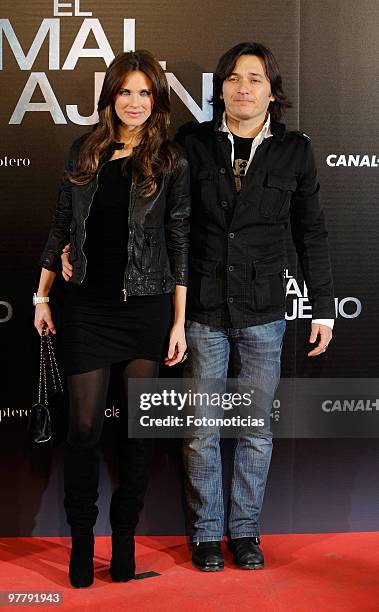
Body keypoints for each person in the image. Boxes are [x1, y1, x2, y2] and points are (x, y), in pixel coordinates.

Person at [175, 42, 335, 571]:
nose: (244, 87)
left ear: (272, 90)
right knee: (201, 428)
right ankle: (204, 536)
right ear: (220, 87)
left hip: (265, 311)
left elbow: (311, 234)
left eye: (256, 78)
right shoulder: (191, 143)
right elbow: (165, 225)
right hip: (202, 307)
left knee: (255, 429)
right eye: (234, 78)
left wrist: (324, 308)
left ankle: (244, 533)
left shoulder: (295, 150)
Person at [34, 49, 190, 588]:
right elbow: (59, 225)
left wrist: (177, 322)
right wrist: (41, 296)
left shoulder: (170, 161)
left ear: (157, 101)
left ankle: (123, 548)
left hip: (146, 309)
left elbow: (180, 242)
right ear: (110, 96)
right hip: (86, 308)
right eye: (126, 91)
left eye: (145, 93)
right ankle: (82, 549)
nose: (134, 102)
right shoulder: (84, 151)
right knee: (83, 430)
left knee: (138, 436)